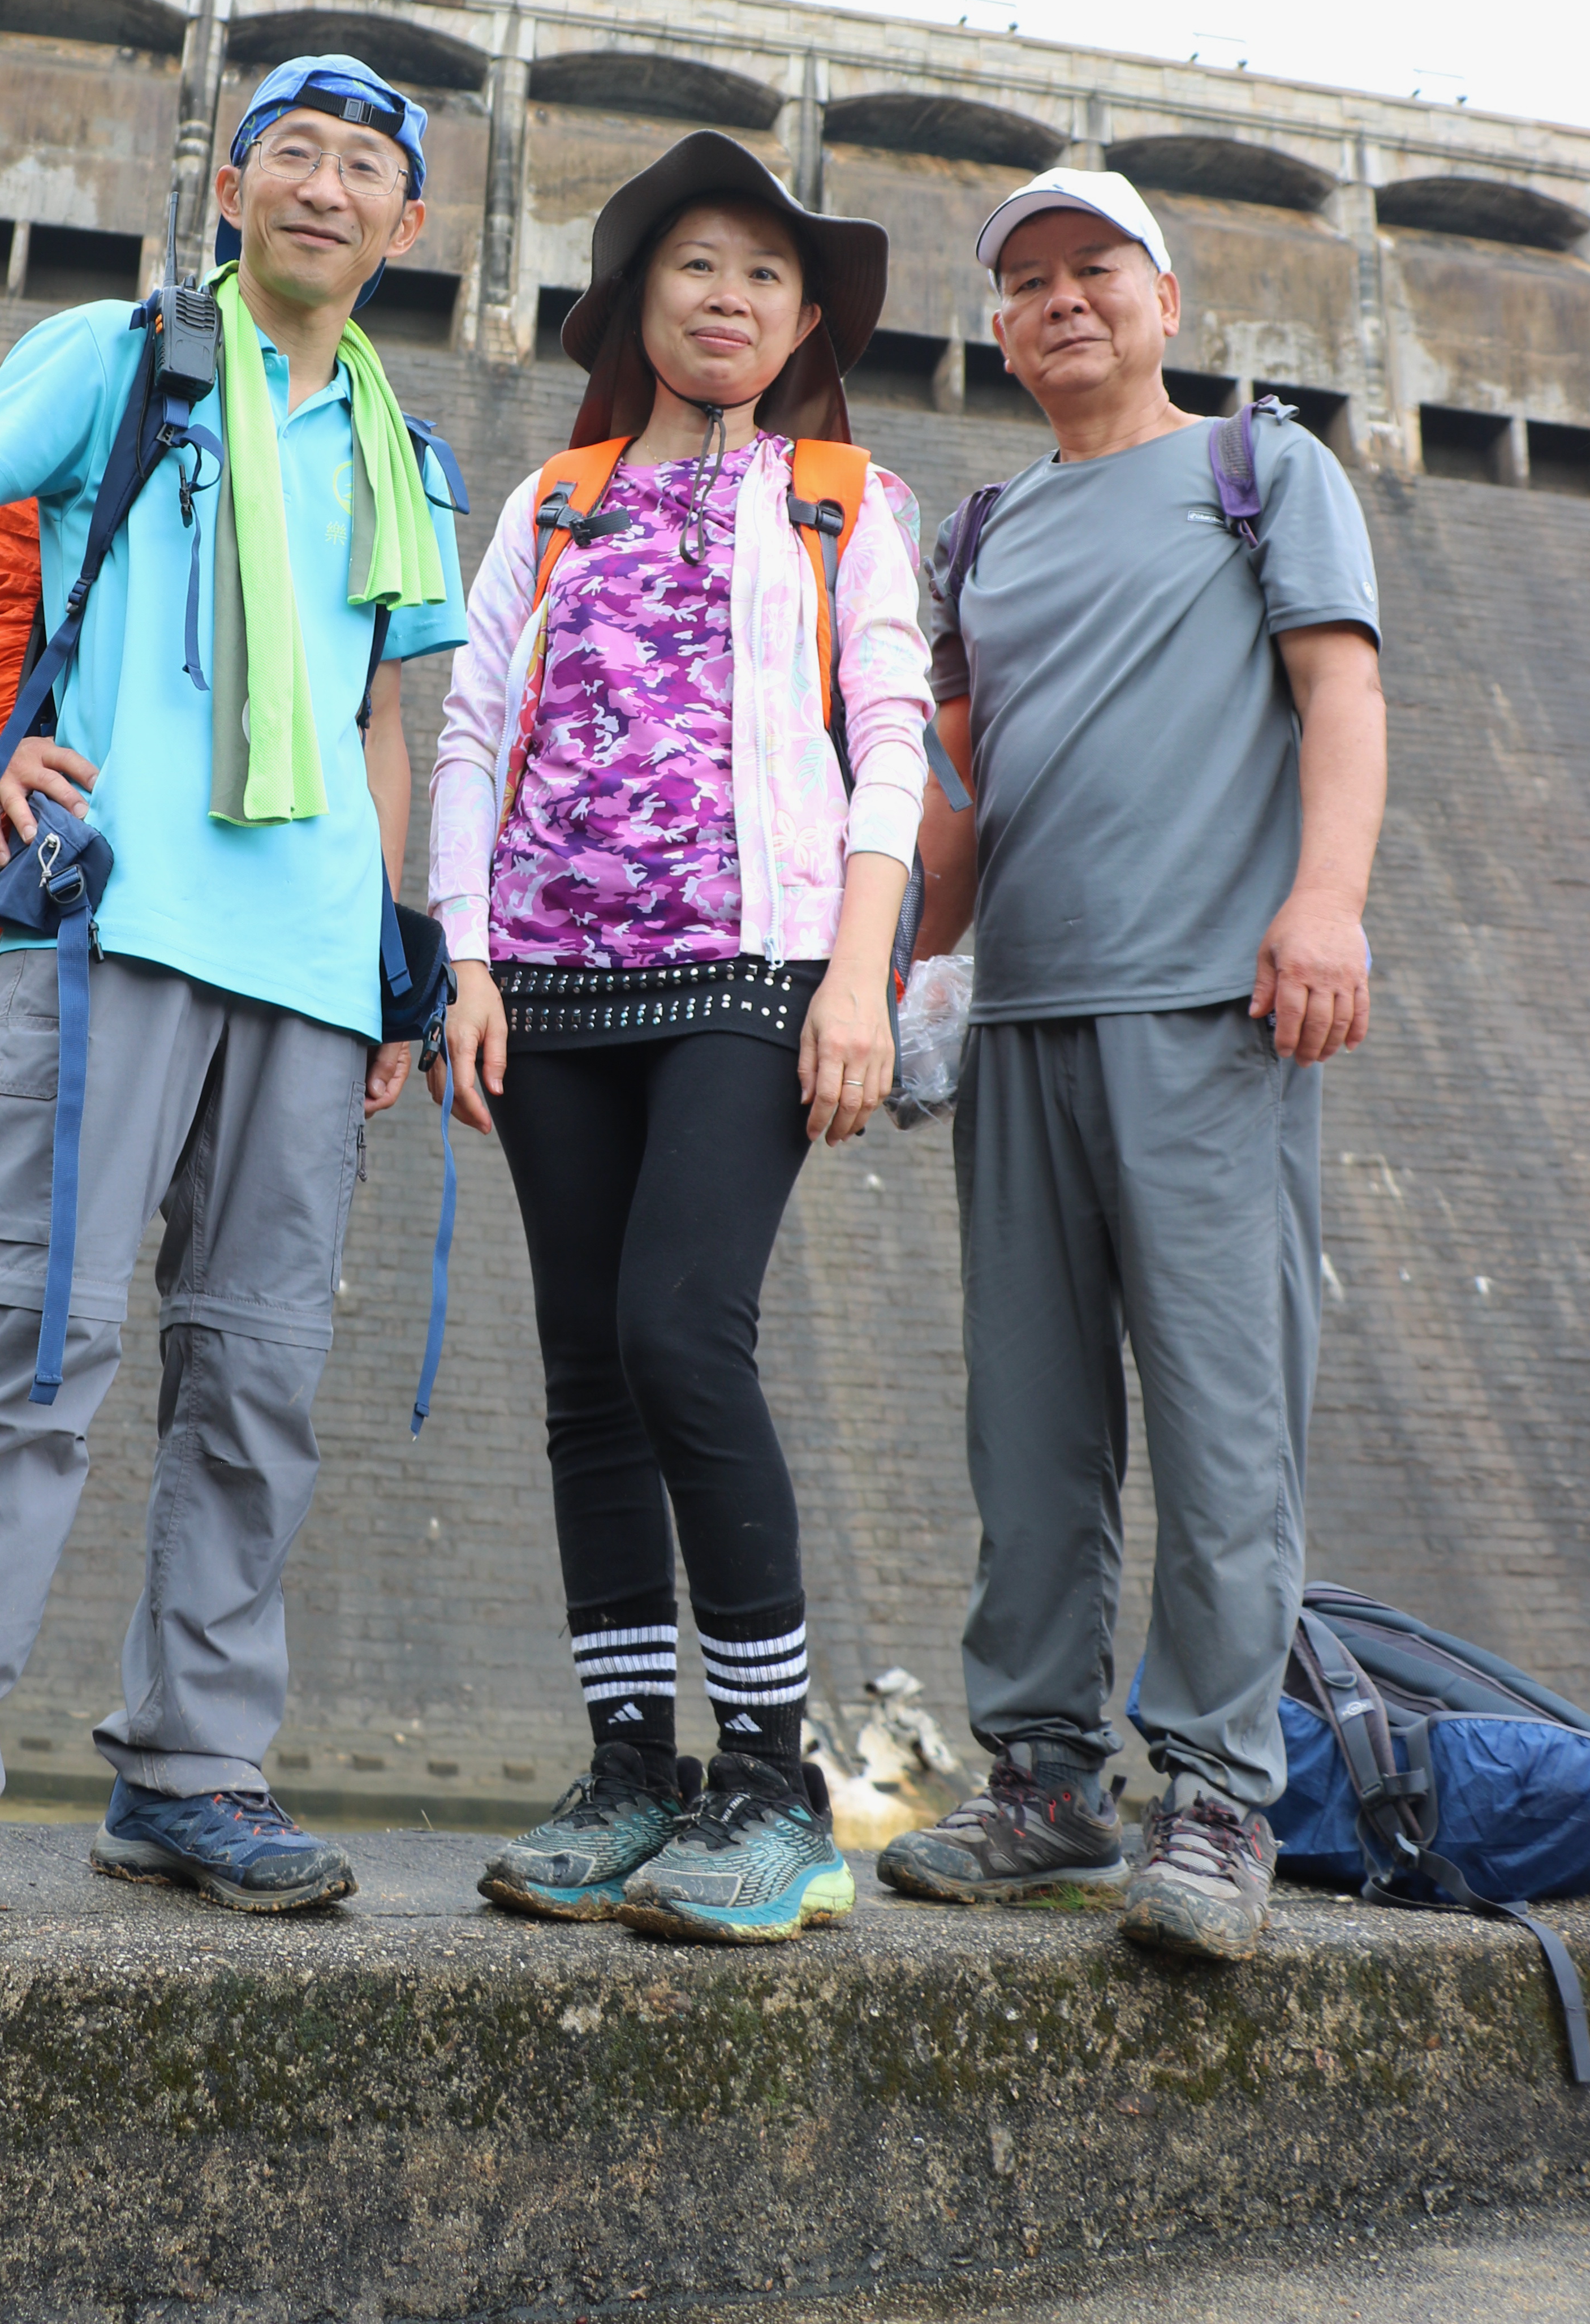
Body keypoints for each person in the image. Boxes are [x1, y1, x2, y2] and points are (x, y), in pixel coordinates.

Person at [0, 55, 467, 1925]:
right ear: (233, 189)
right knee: (20, 1343)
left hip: (309, 978)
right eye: (293, 155)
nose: (325, 188)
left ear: (408, 225)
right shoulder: (120, 355)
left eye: (365, 169)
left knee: (258, 1387)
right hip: (111, 938)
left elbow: (377, 714)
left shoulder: (401, 456)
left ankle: (193, 1774)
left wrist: (388, 960)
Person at [878, 166, 1386, 1962]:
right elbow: (956, 786)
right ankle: (1044, 1785)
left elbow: (1341, 694)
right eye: (1026, 281)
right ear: (1001, 329)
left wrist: (1326, 904)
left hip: (1211, 1012)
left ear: (1166, 300)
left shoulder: (1262, 471)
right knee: (1029, 1425)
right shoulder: (982, 530)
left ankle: (1221, 1798)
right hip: (1019, 1026)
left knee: (1227, 1417)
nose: (1062, 300)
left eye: (1096, 268)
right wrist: (898, 976)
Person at [428, 132, 931, 1942]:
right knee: (590, 1375)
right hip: (548, 978)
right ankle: (633, 1769)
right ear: (638, 299)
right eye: (697, 265)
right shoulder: (551, 501)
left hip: (751, 967)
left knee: (679, 1336)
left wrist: (858, 978)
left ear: (801, 327)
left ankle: (775, 1789)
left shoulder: (843, 499)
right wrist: (459, 959)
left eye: (766, 276)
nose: (729, 298)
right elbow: (473, 726)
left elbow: (894, 739)